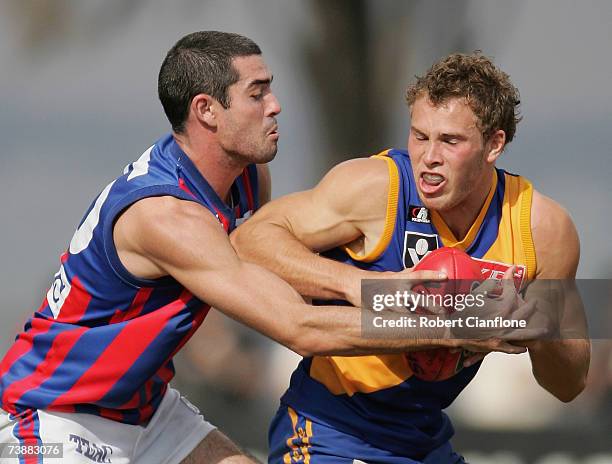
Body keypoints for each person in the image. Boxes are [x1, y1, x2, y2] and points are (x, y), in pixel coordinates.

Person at [0, 33, 527, 464]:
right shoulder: (165, 217)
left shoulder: (250, 179)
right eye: (257, 93)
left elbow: (267, 274)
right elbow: (297, 327)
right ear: (207, 111)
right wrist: (450, 323)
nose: (276, 105)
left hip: (144, 407)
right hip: (55, 416)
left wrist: (383, 291)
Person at [232, 52, 591, 463]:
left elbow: (570, 384)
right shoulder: (375, 187)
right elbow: (250, 239)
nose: (429, 156)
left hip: (424, 439)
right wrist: (361, 287)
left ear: (494, 144)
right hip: (332, 430)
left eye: (450, 141)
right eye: (420, 136)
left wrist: (538, 330)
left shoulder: (541, 229)